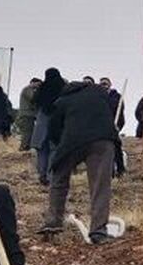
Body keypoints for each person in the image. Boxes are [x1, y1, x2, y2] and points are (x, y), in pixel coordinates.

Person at [39, 80, 119, 244]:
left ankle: (53, 223)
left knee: (59, 180)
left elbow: (53, 129)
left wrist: (60, 148)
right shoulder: (100, 93)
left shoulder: (62, 100)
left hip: (72, 142)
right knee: (100, 186)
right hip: (103, 141)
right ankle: (98, 231)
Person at [31, 68, 66, 185]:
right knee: (54, 150)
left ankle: (42, 174)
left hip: (42, 122)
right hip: (57, 122)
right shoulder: (63, 88)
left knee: (42, 150)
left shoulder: (42, 88)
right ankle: (51, 176)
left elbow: (33, 100)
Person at [100, 77, 126, 177]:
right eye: (102, 84)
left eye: (106, 83)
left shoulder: (116, 97)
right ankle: (108, 172)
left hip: (113, 126)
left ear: (110, 84)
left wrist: (119, 126)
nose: (104, 85)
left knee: (116, 148)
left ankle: (120, 170)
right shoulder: (98, 97)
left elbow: (120, 113)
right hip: (101, 127)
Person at [15, 78, 41, 151]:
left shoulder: (30, 89)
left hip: (29, 115)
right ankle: (23, 148)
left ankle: (26, 147)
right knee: (27, 132)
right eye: (38, 84)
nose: (38, 86)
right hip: (26, 114)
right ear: (33, 82)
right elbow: (32, 98)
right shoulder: (27, 89)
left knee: (30, 132)